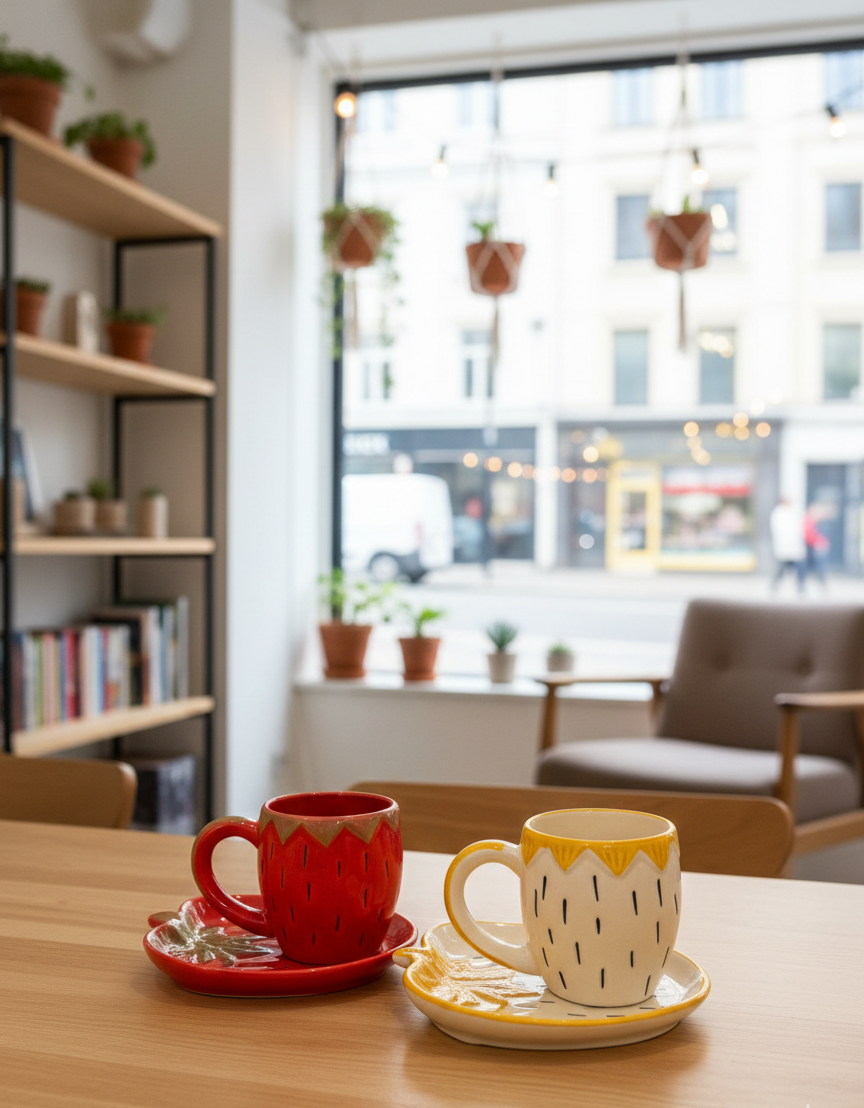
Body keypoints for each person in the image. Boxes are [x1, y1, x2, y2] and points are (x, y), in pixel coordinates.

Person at [769, 497, 805, 594]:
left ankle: (801, 587)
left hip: (794, 548)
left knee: (799, 569)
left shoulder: (792, 513)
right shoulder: (778, 513)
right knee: (782, 569)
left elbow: (798, 530)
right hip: (785, 547)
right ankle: (774, 586)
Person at [803, 502, 830, 591]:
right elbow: (809, 535)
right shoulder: (809, 521)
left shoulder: (816, 522)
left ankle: (821, 585)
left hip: (814, 547)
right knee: (815, 567)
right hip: (811, 547)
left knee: (816, 567)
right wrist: (819, 541)